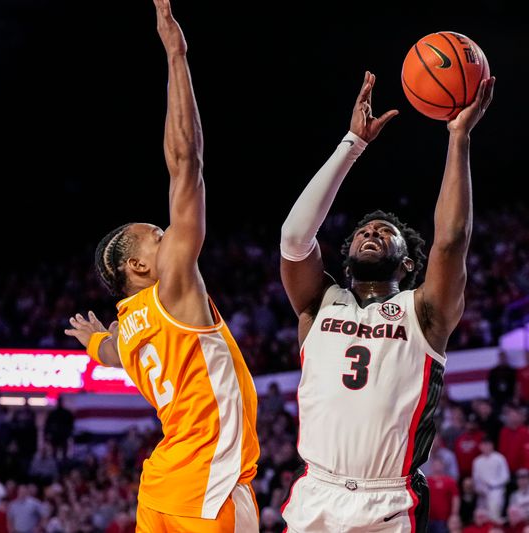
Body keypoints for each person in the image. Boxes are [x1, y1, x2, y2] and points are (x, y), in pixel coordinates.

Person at [63, 1, 259, 531]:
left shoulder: (129, 332)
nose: (169, 234)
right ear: (141, 267)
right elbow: (185, 162)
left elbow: (111, 355)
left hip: (159, 492)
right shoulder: (173, 288)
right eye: (158, 235)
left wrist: (93, 339)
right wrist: (177, 55)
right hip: (208, 491)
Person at [279, 68, 495, 533]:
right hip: (315, 492)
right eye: (364, 231)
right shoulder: (319, 303)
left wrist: (458, 139)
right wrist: (351, 145)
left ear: (408, 264)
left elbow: (451, 241)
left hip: (388, 500)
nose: (372, 233)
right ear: (348, 252)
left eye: (385, 232)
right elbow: (295, 236)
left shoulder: (425, 311)